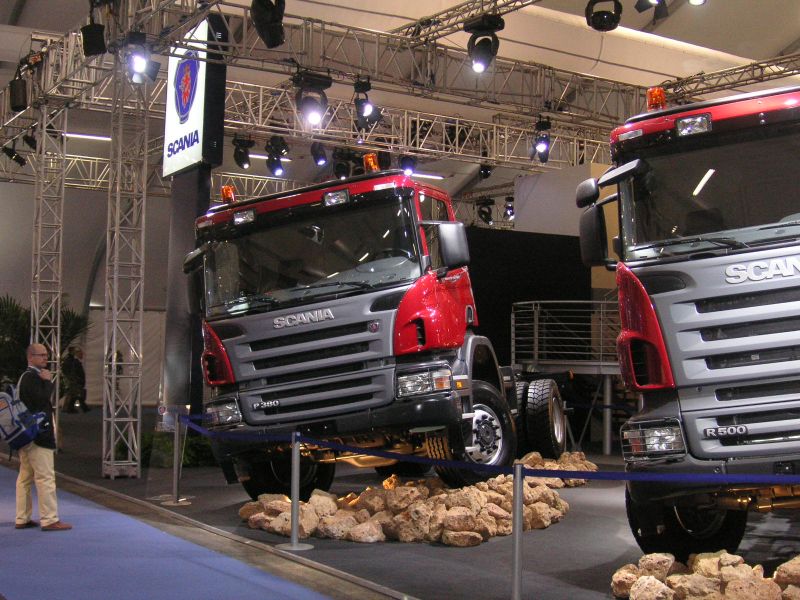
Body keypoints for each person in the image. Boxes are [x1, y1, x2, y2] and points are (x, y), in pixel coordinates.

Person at [15, 343, 72, 531]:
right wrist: (48, 382)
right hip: (38, 436)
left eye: (46, 354)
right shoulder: (32, 377)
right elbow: (41, 401)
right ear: (30, 357)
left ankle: (22, 517)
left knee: (25, 477)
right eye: (41, 355)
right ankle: (49, 519)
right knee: (45, 477)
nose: (45, 358)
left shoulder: (25, 377)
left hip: (27, 435)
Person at [61, 346, 88, 413]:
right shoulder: (71, 361)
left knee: (74, 394)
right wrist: (73, 379)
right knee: (76, 394)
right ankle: (80, 407)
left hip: (75, 380)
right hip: (74, 380)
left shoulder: (72, 360)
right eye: (76, 351)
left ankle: (69, 408)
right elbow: (69, 371)